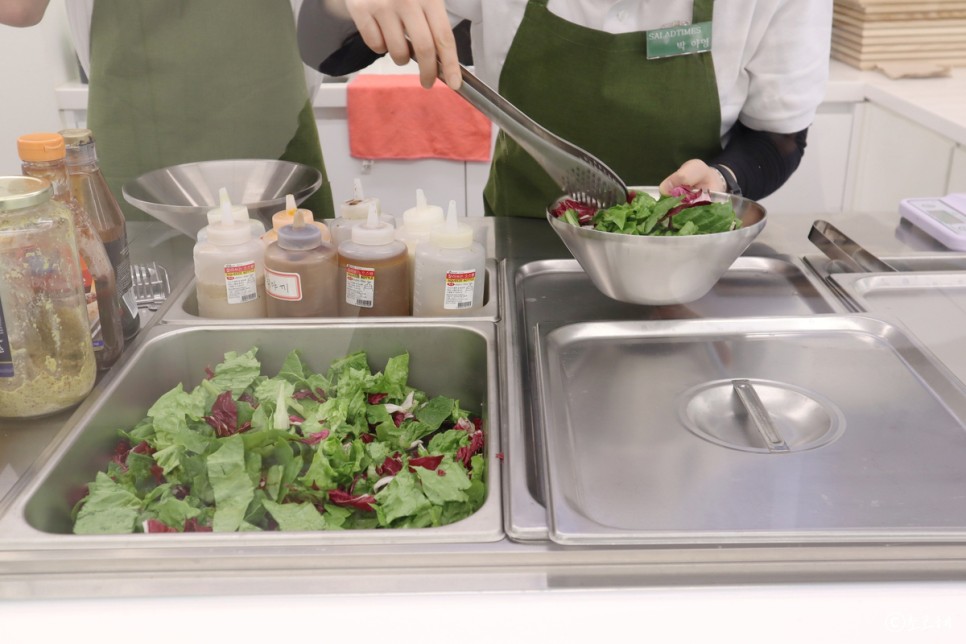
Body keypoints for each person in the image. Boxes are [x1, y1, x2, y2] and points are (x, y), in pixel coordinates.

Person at [299, 0, 833, 217]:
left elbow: (778, 138)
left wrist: (723, 179)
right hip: (522, 240)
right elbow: (325, 48)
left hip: (688, 257)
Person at [2, 0, 335, 220]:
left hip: (267, 113)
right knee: (142, 299)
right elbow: (20, 7)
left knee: (298, 276)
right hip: (134, 121)